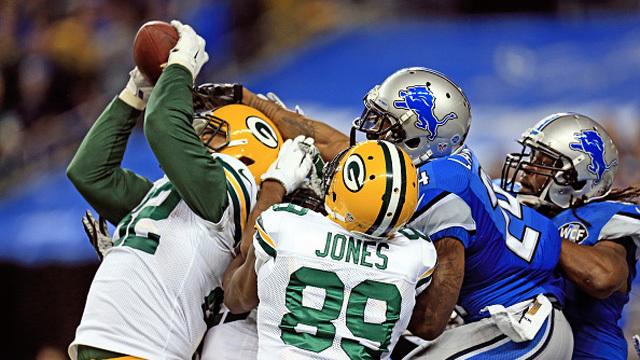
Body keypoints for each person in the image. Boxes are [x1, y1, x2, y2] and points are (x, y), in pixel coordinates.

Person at [202, 67, 573, 359]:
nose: (368, 128)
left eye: (383, 123)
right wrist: (255, 102)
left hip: (519, 328)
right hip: (507, 319)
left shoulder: (441, 193)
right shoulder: (428, 168)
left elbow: (430, 321)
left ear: (416, 141)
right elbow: (335, 144)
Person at [66, 20, 315, 359]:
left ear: (246, 146)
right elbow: (89, 172)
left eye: (214, 130)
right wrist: (133, 95)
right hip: (115, 347)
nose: (200, 133)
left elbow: (162, 125)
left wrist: (182, 64)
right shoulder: (181, 197)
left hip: (141, 351)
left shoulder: (227, 193)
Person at [223, 139, 437, 359]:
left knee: (222, 335)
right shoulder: (417, 253)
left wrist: (273, 185)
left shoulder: (282, 225)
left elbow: (236, 300)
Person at [501, 112, 640, 360]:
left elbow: (603, 276)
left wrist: (533, 232)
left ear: (575, 179)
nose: (528, 169)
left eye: (544, 160)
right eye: (532, 156)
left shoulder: (603, 220)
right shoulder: (520, 210)